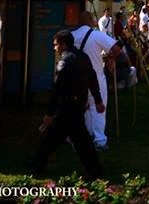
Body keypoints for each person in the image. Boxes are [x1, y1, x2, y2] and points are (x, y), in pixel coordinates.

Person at [29, 30, 104, 180]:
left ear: (63, 44)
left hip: (67, 107)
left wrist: (50, 113)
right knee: (73, 139)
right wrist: (98, 100)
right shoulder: (84, 57)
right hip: (78, 106)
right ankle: (95, 170)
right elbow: (93, 79)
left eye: (56, 45)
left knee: (57, 139)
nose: (54, 48)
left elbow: (57, 89)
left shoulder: (65, 61)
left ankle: (37, 166)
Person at [71, 11, 124, 150]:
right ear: (89, 19)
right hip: (96, 78)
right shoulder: (97, 35)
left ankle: (82, 138)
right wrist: (110, 58)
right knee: (98, 108)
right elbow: (117, 49)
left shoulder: (71, 36)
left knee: (82, 109)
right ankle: (99, 140)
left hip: (76, 80)